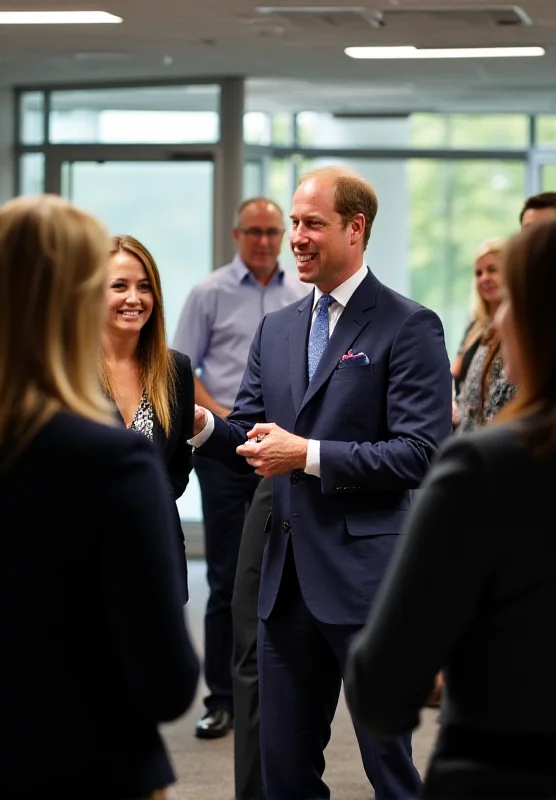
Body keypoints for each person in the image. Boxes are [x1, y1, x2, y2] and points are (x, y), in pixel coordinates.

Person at [190, 166, 452, 799]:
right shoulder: (277, 328)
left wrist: (306, 454)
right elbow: (250, 438)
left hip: (364, 586)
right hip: (284, 591)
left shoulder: (408, 325)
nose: (296, 238)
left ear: (355, 230)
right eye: (294, 223)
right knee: (283, 773)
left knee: (390, 769)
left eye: (311, 224)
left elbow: (419, 453)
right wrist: (199, 425)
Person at [344, 208, 556, 799]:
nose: (498, 318)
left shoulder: (482, 470)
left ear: (535, 318)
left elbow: (381, 691)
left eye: (508, 296)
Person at [0, 195, 200, 799]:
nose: (130, 298)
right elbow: (168, 684)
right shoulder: (107, 461)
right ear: (76, 298)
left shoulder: (169, 375)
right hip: (90, 761)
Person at [173, 197, 310, 739]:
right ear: (237, 235)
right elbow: (183, 366)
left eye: (273, 231)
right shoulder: (210, 292)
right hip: (227, 448)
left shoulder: (302, 291)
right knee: (228, 576)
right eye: (254, 231)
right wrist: (228, 420)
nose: (264, 240)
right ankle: (223, 698)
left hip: (288, 450)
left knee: (286, 575)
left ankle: (274, 690)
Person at [103, 235, 195, 603]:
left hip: (155, 554)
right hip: (80, 556)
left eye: (144, 287)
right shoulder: (66, 371)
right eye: (119, 286)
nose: (134, 299)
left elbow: (178, 469)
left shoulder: (176, 369)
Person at [232, 475, 272, 800]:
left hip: (364, 492)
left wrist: (308, 453)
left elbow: (416, 451)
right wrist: (206, 427)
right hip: (275, 490)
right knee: (252, 652)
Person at [451, 238, 505, 403]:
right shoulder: (476, 326)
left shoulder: (520, 328)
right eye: (479, 273)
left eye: (492, 270)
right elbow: (453, 374)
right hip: (463, 424)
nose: (484, 278)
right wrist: (451, 402)